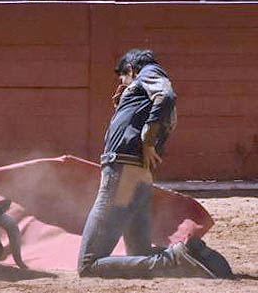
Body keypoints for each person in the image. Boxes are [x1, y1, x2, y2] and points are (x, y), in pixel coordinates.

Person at [77, 49, 219, 278]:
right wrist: (125, 105)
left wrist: (148, 141)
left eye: (123, 79)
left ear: (131, 69)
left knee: (88, 264)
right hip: (139, 176)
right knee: (139, 253)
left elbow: (166, 96)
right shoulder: (143, 90)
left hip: (124, 172)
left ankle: (173, 259)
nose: (123, 85)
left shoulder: (149, 72)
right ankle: (191, 255)